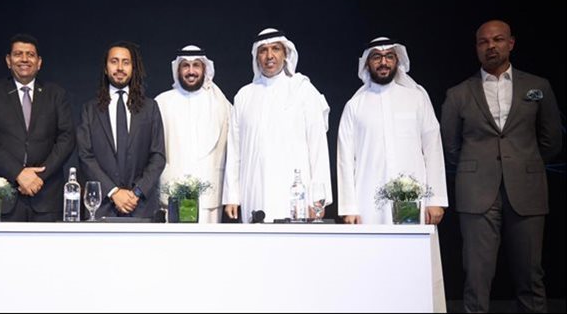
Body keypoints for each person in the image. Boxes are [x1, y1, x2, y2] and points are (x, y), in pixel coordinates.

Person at [441, 20, 562, 313]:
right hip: (477, 191)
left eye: (497, 39)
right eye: (483, 41)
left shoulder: (537, 87)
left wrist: (524, 163)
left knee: (530, 274)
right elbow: (449, 145)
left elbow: (552, 139)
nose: (491, 46)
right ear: (476, 48)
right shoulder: (458, 93)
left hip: (526, 189)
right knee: (476, 277)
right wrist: (476, 167)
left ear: (511, 43)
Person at [336, 36, 448, 312]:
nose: (383, 62)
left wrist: (436, 200)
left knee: (414, 266)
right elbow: (344, 159)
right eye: (377, 57)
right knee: (372, 267)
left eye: (389, 57)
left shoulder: (416, 98)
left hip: (413, 202)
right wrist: (349, 207)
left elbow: (433, 147)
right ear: (367, 63)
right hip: (367, 203)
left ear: (398, 61)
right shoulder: (355, 105)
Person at [222, 28, 332, 223]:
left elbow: (318, 148)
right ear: (256, 57)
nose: (269, 56)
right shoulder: (244, 96)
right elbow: (234, 151)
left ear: (286, 53)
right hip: (254, 191)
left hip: (295, 194)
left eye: (275, 49)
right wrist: (232, 196)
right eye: (263, 50)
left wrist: (318, 199)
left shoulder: (303, 90)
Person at [0, 34, 75, 221]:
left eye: (30, 55)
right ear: (8, 60)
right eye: (18, 54)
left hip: (46, 196)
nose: (24, 59)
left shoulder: (56, 94)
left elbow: (67, 139)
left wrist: (38, 177)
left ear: (39, 62)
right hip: (4, 196)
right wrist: (18, 173)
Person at [77, 41, 166, 219]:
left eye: (126, 62)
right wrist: (114, 192)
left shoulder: (150, 108)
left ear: (133, 68)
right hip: (101, 205)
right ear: (105, 68)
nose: (119, 68)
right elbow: (85, 156)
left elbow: (158, 156)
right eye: (114, 61)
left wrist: (137, 192)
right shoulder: (90, 109)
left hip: (140, 205)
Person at [155, 45, 232, 223]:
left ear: (205, 69)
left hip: (209, 197)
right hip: (171, 194)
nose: (191, 71)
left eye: (196, 65)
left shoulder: (222, 105)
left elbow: (234, 152)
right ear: (178, 70)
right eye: (185, 66)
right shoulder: (162, 102)